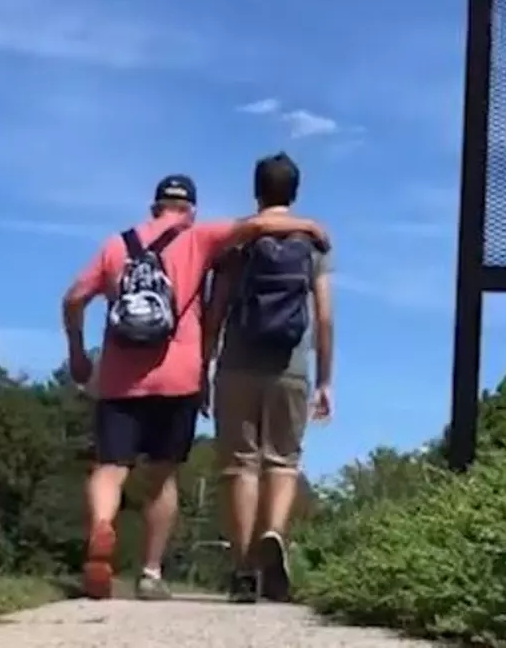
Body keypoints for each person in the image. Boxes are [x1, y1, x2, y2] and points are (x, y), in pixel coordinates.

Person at [61, 173, 330, 601]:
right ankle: (150, 573)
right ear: (190, 210)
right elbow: (259, 226)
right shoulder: (197, 237)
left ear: (154, 207)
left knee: (110, 469)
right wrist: (312, 228)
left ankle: (102, 527)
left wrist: (77, 352)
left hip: (117, 378)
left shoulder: (117, 244)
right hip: (178, 377)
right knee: (163, 477)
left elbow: (74, 297)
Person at [203, 152, 333, 603]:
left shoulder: (237, 244)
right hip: (291, 365)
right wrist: (325, 380)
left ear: (256, 189)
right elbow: (325, 316)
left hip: (237, 362)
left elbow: (215, 310)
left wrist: (204, 367)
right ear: (294, 192)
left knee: (240, 463)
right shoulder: (311, 245)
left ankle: (242, 567)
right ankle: (273, 534)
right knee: (283, 460)